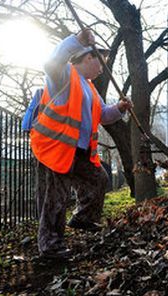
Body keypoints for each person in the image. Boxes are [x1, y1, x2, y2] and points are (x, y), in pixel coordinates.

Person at [30, 29, 132, 259]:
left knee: (100, 180)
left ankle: (83, 218)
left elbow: (103, 115)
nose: (102, 70)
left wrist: (120, 108)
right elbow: (52, 63)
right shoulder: (64, 75)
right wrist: (76, 41)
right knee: (56, 198)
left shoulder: (91, 88)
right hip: (57, 149)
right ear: (88, 57)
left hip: (79, 152)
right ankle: (50, 245)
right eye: (101, 64)